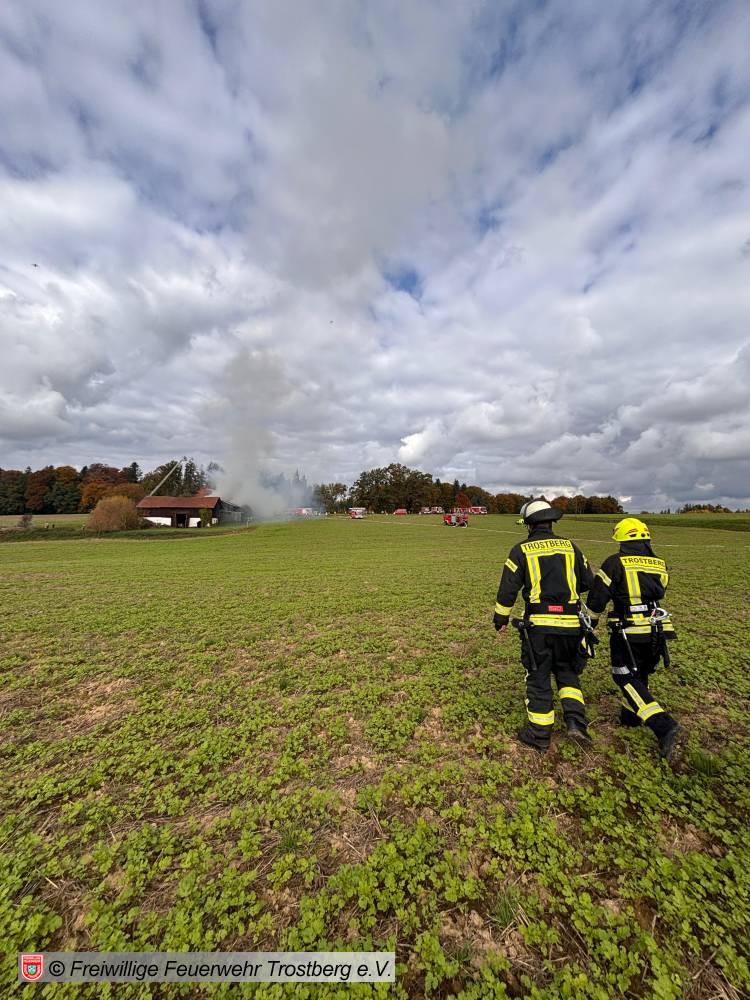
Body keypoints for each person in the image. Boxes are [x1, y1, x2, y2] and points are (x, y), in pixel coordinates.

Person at [494, 499, 596, 753]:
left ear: (529, 524)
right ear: (551, 522)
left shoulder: (521, 550)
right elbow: (587, 582)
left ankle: (539, 734)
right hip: (572, 626)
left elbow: (508, 589)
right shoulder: (571, 547)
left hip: (538, 627)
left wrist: (500, 619)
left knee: (538, 675)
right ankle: (576, 723)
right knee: (567, 672)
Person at [586, 517, 685, 762]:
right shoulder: (659, 563)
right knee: (640, 673)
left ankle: (663, 725)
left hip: (628, 629)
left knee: (624, 676)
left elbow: (597, 598)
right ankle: (630, 718)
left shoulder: (614, 563)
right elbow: (661, 590)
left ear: (621, 539)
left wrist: (590, 624)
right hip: (657, 628)